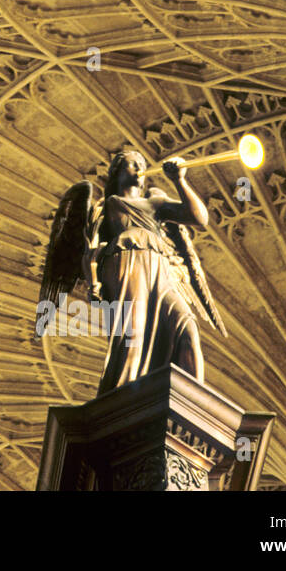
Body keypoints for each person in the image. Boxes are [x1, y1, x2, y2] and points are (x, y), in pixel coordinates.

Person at [90, 147, 208, 395]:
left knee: (186, 326)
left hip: (160, 267)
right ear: (116, 173)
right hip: (127, 262)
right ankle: (122, 397)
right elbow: (91, 249)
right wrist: (94, 283)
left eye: (140, 164)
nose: (138, 169)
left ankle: (192, 400)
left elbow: (199, 217)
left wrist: (179, 180)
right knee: (134, 333)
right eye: (131, 164)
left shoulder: (156, 202)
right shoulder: (110, 204)